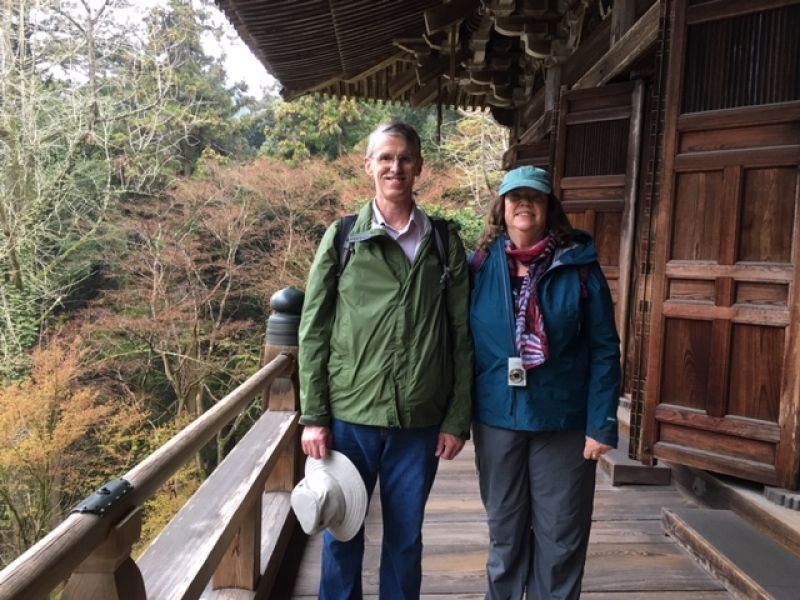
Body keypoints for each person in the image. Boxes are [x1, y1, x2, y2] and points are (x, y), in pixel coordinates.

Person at [298, 121, 473, 600]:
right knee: (342, 532)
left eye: (405, 158)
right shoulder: (343, 238)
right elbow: (312, 330)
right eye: (386, 158)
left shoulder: (442, 241)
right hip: (350, 414)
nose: (395, 167)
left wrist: (457, 418)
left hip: (419, 419)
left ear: (418, 166)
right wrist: (313, 415)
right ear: (369, 165)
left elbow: (462, 335)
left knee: (405, 539)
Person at [469, 165, 621, 600]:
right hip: (498, 418)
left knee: (561, 536)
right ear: (502, 206)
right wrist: (453, 419)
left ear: (548, 207)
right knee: (505, 533)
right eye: (515, 197)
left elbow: (604, 349)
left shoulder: (579, 267)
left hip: (564, 421)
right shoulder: (478, 266)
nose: (523, 204)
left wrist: (601, 423)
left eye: (533, 197)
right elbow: (460, 346)